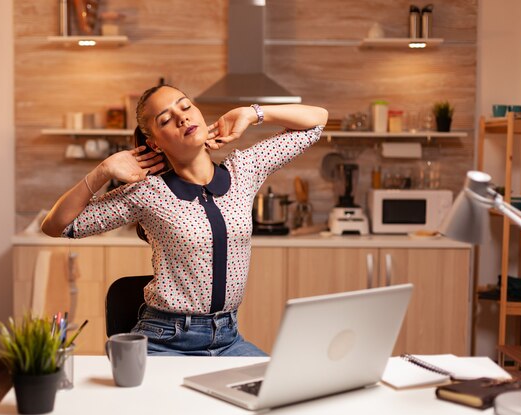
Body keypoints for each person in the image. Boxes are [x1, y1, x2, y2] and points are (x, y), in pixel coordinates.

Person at [41, 84, 328, 356]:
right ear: (153, 143)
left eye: (186, 106)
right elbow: (57, 225)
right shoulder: (147, 192)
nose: (182, 118)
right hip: (165, 341)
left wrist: (252, 113)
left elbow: (317, 121)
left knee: (275, 401)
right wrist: (102, 171)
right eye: (166, 120)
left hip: (228, 340)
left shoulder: (244, 169)